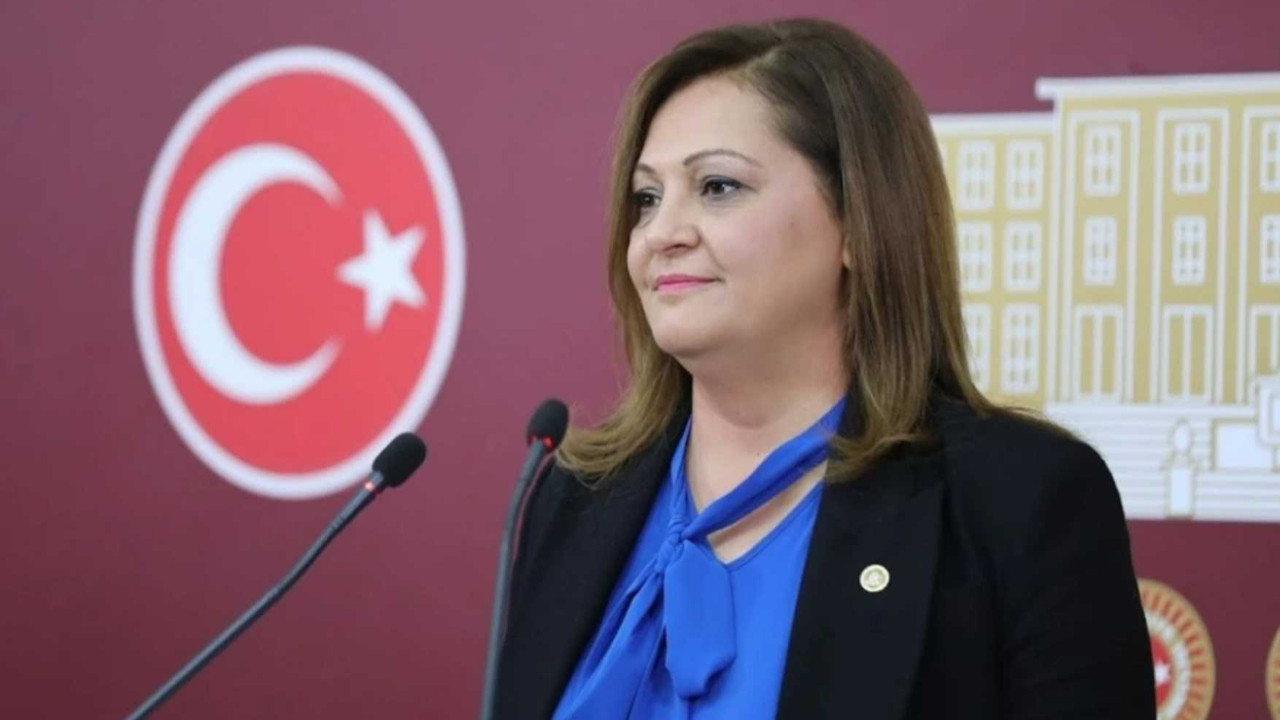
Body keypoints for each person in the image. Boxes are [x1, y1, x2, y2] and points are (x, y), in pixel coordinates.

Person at [493, 17, 1154, 720]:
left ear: (859, 224)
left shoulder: (1016, 500)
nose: (661, 234)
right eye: (646, 198)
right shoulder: (576, 496)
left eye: (717, 186)